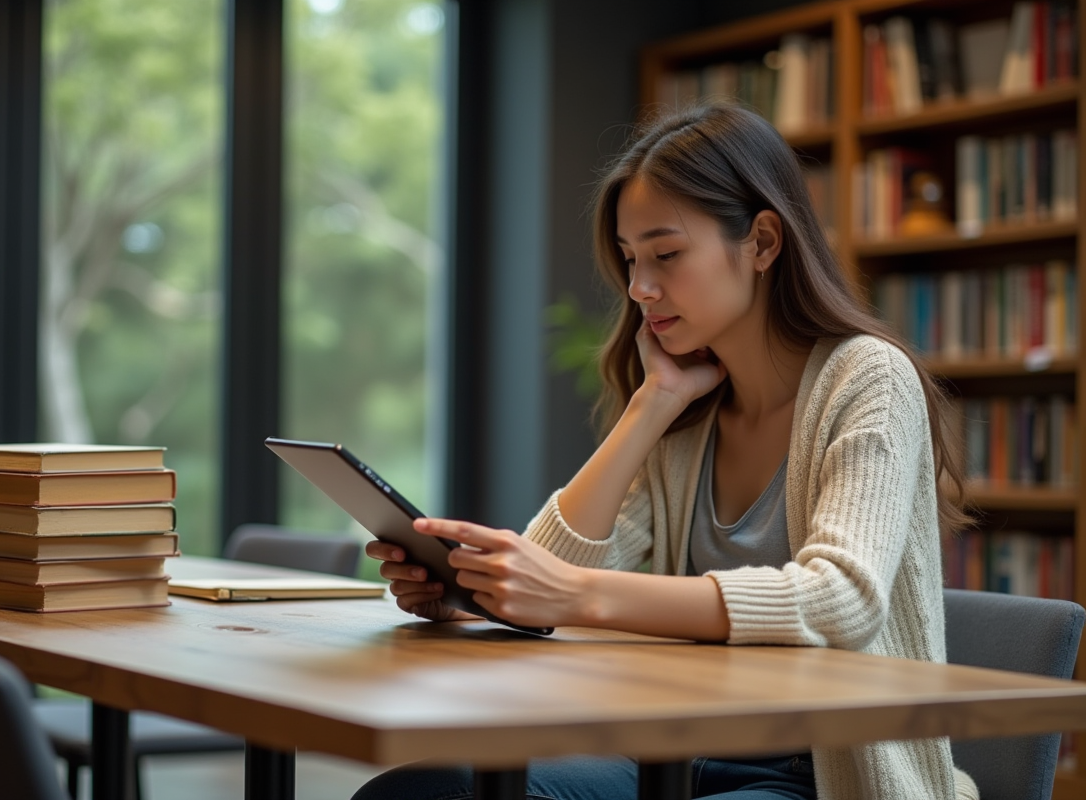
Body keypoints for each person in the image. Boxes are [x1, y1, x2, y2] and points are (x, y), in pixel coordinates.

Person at [354, 103, 979, 800]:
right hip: (678, 751)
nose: (638, 288)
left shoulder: (867, 378)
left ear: (764, 242)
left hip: (824, 773)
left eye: (666, 254)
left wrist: (575, 595)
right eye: (629, 259)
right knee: (416, 793)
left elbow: (842, 599)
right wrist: (478, 597)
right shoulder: (686, 413)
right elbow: (555, 580)